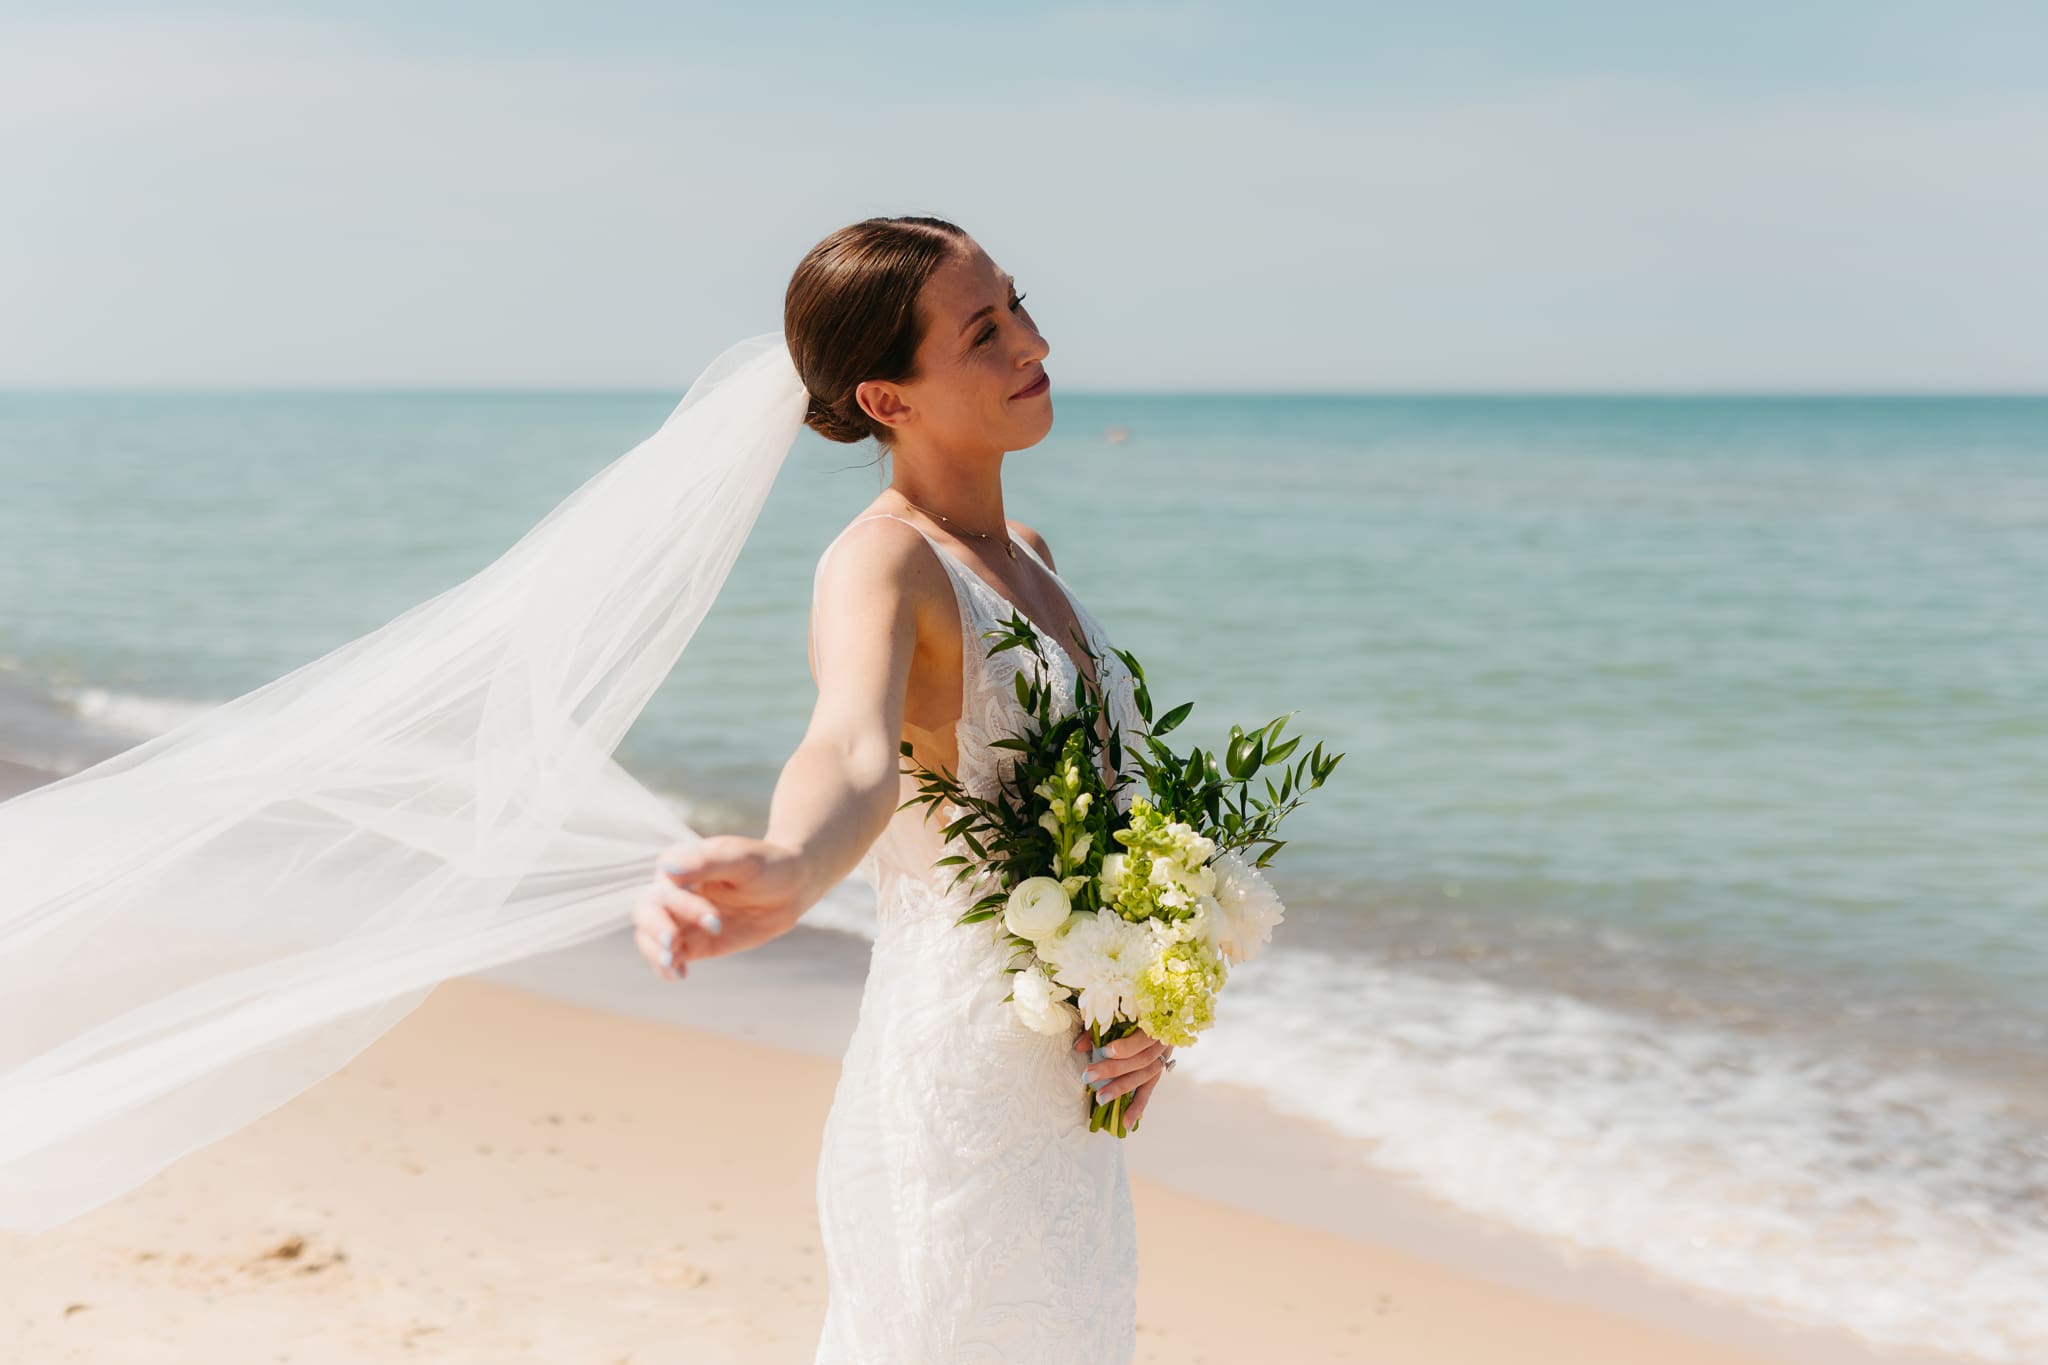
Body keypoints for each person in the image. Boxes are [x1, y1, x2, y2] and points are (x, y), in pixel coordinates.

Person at [633, 216, 1174, 1362]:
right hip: (958, 1099)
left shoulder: (1027, 548)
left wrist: (1139, 998)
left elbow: (1086, 826)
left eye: (1018, 305)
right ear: (887, 400)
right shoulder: (881, 560)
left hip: (1062, 1091)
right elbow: (850, 750)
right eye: (984, 331)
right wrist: (788, 863)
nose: (1031, 341)